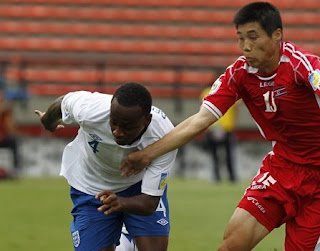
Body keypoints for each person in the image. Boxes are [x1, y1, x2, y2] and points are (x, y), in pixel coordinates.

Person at [120, 2, 320, 250]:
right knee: (232, 244)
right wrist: (145, 155)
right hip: (281, 169)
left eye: (253, 37)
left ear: (277, 35)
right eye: (240, 38)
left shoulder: (302, 65)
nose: (245, 46)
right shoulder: (239, 74)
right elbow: (200, 120)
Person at [35, 82, 177, 251]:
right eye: (114, 123)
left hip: (139, 187)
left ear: (147, 120)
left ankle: (125, 239)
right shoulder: (90, 110)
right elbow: (63, 103)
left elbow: (149, 203)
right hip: (92, 187)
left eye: (127, 126)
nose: (118, 131)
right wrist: (47, 122)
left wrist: (121, 203)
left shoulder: (165, 137)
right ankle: (125, 242)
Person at [200, 85, 238, 183]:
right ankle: (230, 177)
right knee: (226, 155)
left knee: (216, 155)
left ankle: (218, 177)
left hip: (215, 127)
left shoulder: (207, 91)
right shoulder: (231, 91)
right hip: (224, 127)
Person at [0, 88, 20, 178]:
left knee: (13, 142)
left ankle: (16, 170)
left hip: (3, 137)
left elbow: (11, 128)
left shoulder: (6, 114)